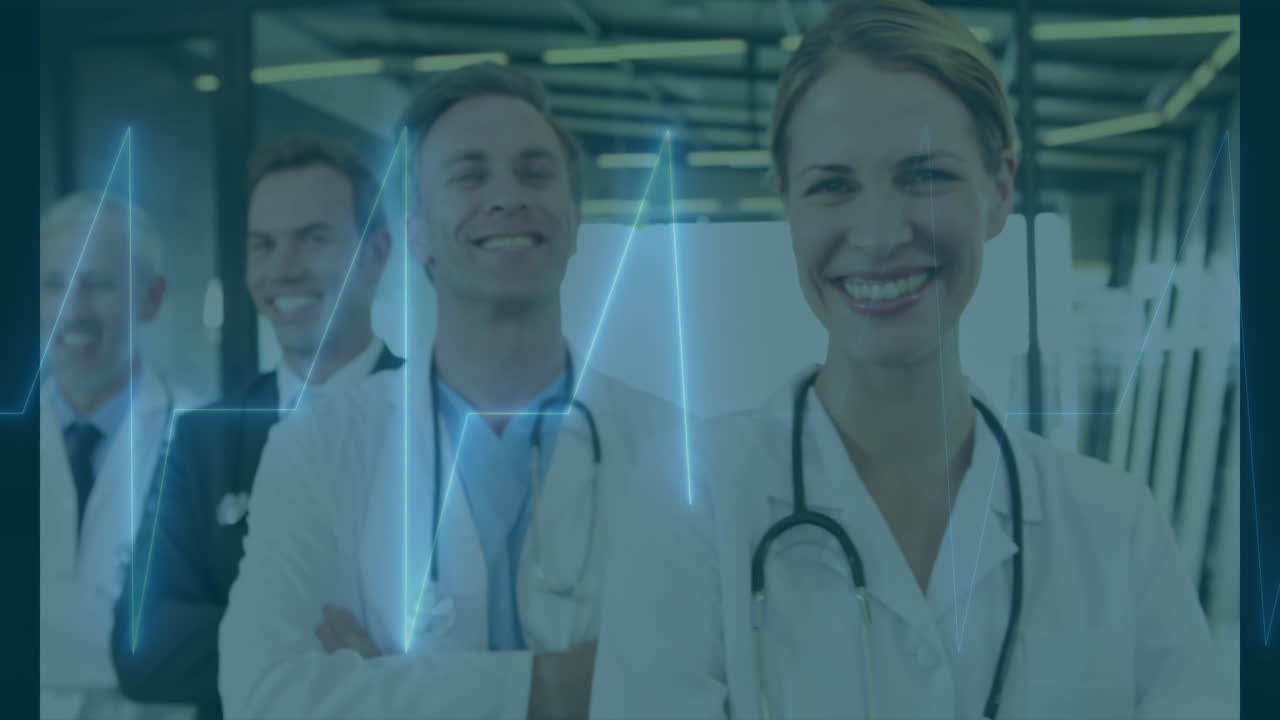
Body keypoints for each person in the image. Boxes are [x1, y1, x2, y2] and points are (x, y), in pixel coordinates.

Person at [589, 1, 1238, 718]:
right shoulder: (689, 507)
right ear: (787, 204)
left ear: (999, 190)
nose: (877, 233)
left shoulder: (1117, 528)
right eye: (832, 185)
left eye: (925, 175)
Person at [217, 62, 685, 719]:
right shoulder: (314, 448)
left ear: (574, 220)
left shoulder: (673, 446)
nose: (505, 197)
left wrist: (394, 686)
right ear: (415, 234)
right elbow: (263, 698)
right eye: (468, 175)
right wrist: (559, 687)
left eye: (534, 172)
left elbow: (702, 685)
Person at [110, 135, 404, 720]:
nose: (283, 270)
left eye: (313, 239)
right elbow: (143, 651)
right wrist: (365, 653)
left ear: (376, 253)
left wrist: (258, 637)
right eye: (263, 246)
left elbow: (475, 642)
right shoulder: (203, 440)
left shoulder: (436, 414)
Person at [39, 192, 199, 720]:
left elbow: (226, 636)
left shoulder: (204, 439)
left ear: (152, 298)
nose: (74, 309)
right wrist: (139, 637)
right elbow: (166, 640)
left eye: (98, 284)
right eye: (53, 283)